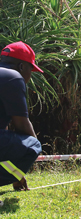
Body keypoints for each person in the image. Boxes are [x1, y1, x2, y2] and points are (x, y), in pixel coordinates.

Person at [0, 41, 42, 191]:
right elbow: (22, 125)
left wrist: (16, 174)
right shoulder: (13, 77)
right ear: (22, 66)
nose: (29, 76)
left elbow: (2, 150)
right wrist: (36, 152)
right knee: (33, 144)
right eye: (31, 70)